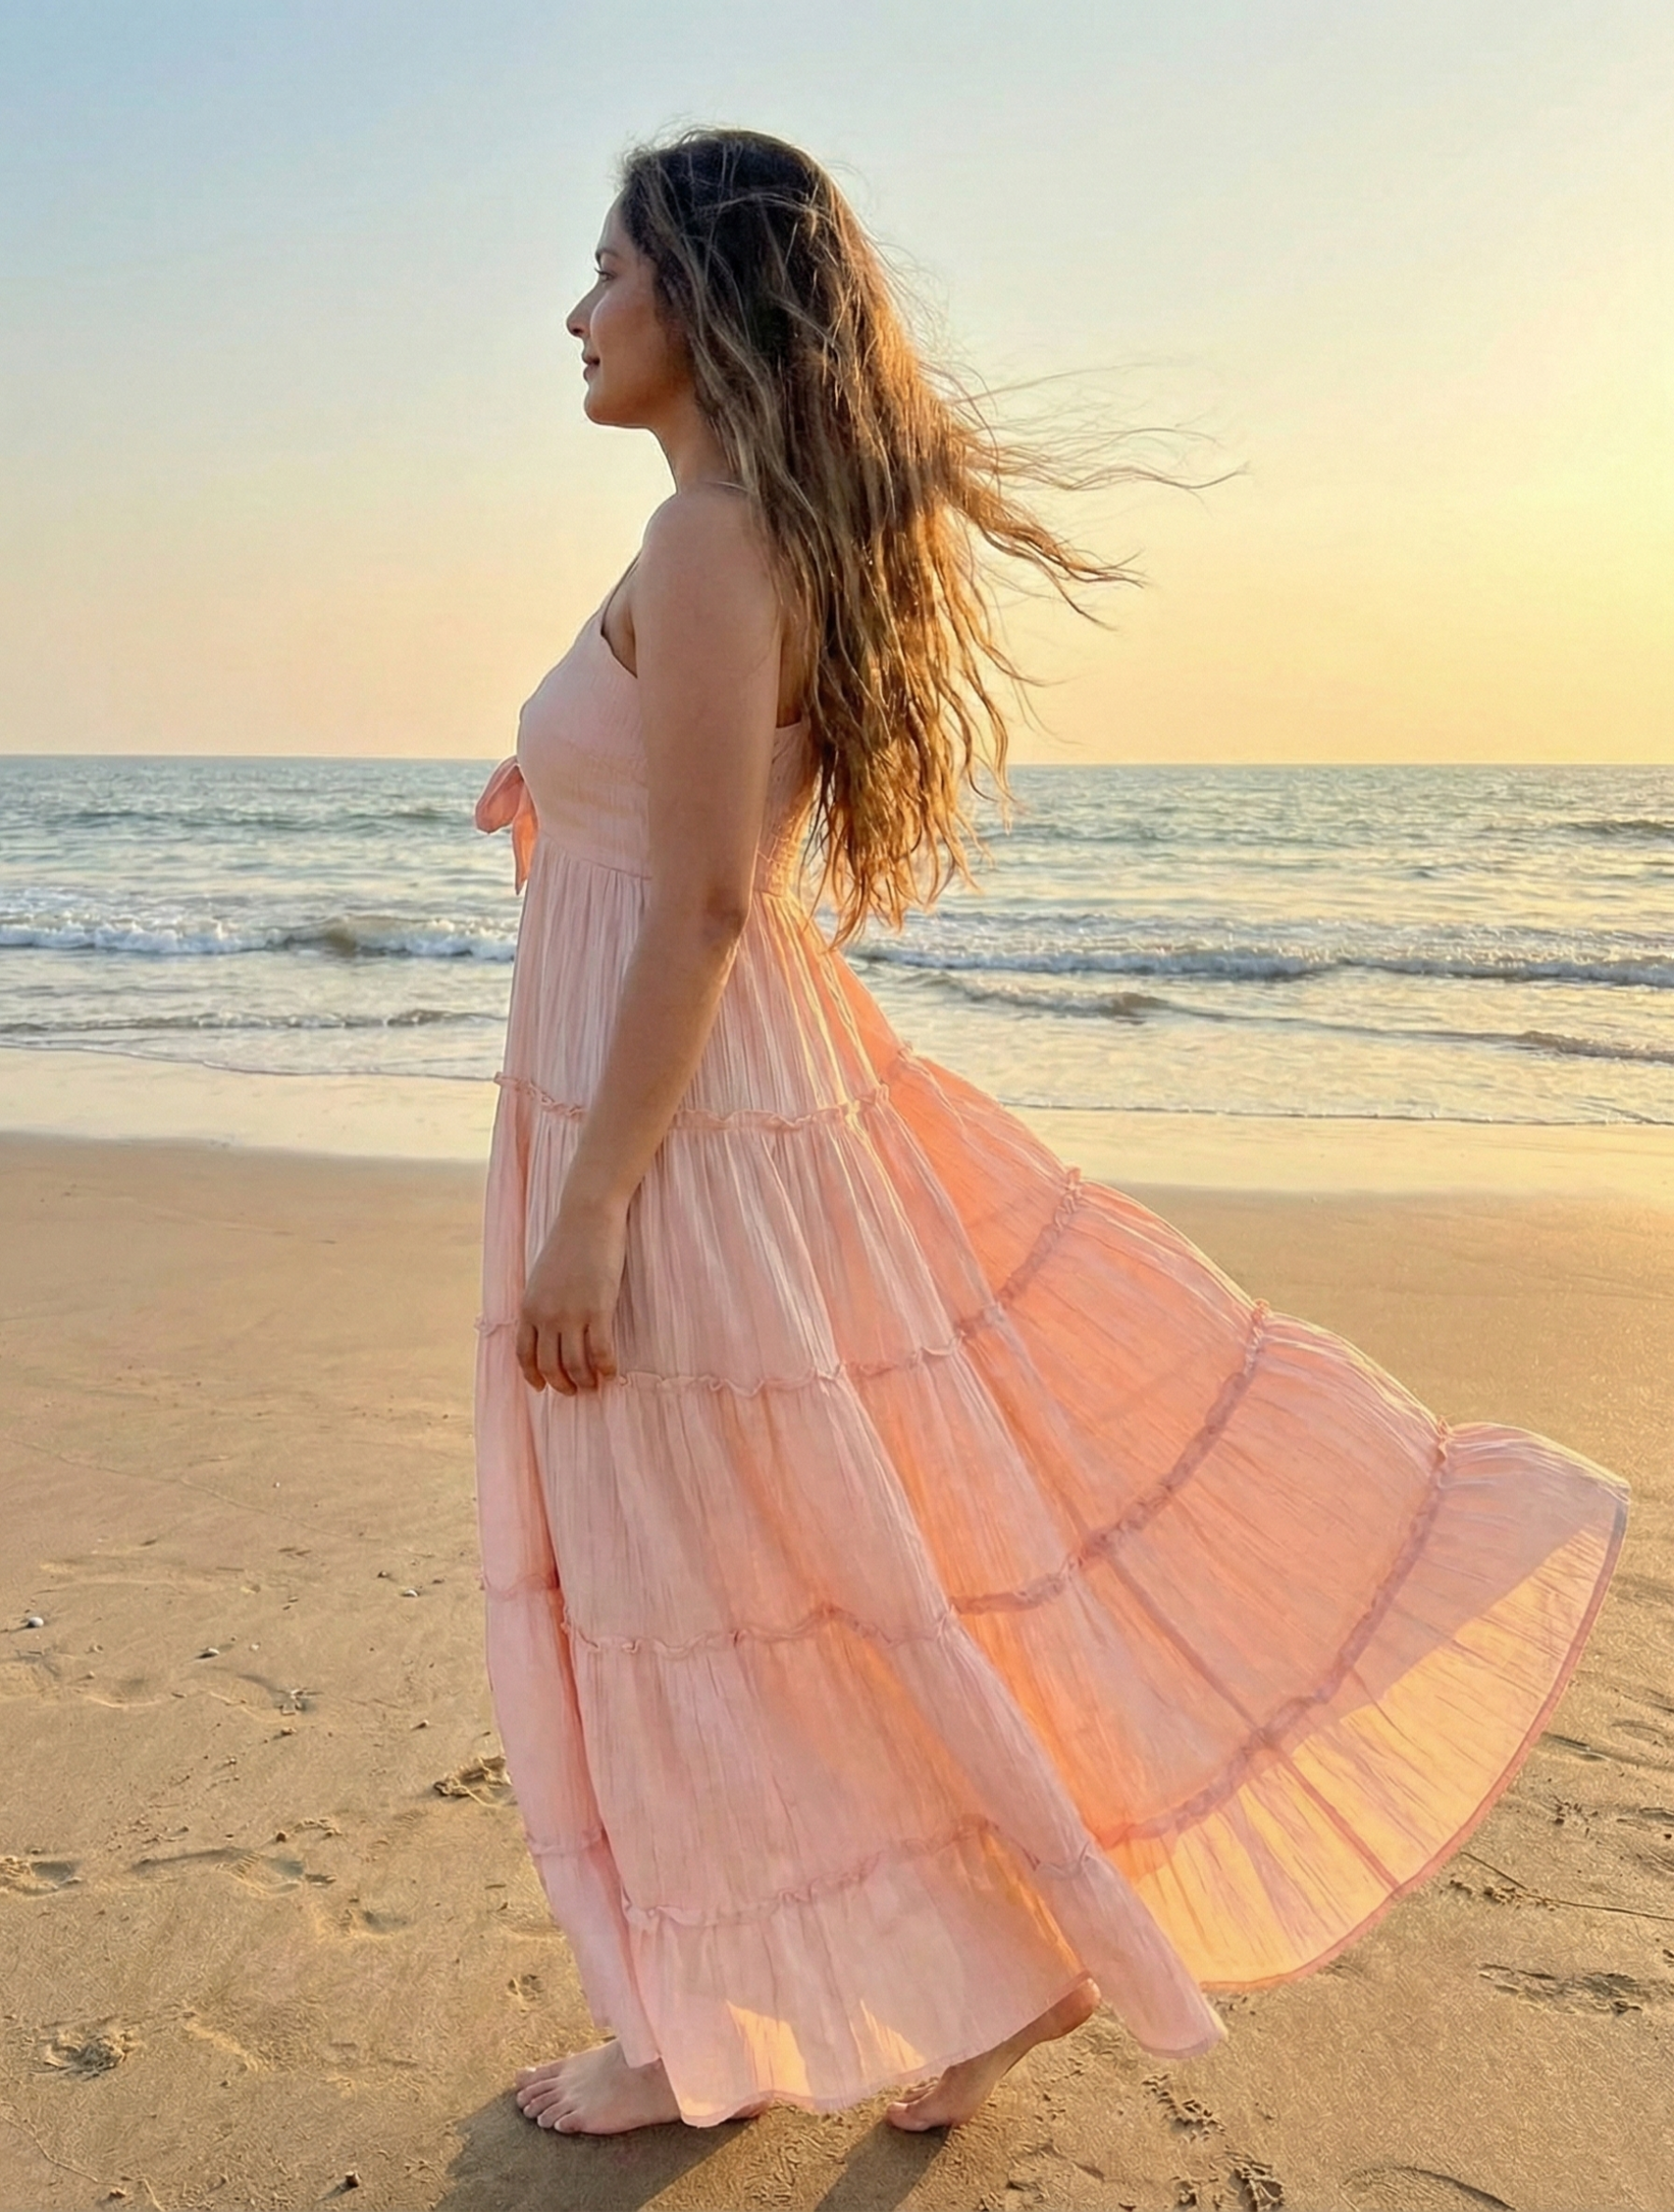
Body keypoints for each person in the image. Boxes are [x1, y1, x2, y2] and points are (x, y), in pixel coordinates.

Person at [471, 127, 1628, 2139]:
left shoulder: (708, 537)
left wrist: (591, 1212)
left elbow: (708, 904)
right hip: (700, 1108)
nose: (575, 314)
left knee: (695, 1566)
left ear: (707, 301)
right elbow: (694, 839)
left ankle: (702, 2029)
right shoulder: (726, 537)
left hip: (678, 1143)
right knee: (803, 1552)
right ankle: (851, 1977)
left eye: (605, 273)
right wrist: (553, 787)